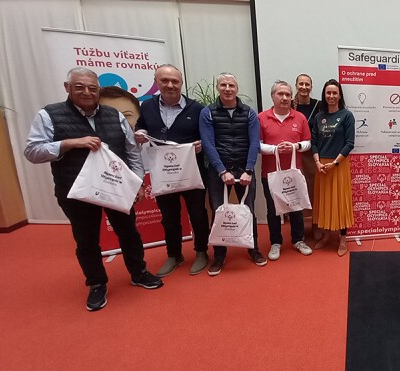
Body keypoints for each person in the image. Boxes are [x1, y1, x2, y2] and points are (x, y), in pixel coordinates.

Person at [24, 67, 163, 312]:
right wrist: (68, 143)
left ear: (99, 89)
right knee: (87, 240)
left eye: (92, 87)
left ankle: (139, 272)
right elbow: (33, 152)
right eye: (79, 87)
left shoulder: (115, 115)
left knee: (129, 232)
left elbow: (131, 150)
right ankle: (97, 283)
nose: (87, 92)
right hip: (77, 191)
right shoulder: (49, 115)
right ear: (67, 88)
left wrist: (138, 182)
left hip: (116, 188)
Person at [132, 64, 210, 277]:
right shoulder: (147, 106)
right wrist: (140, 132)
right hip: (163, 172)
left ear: (181, 83)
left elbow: (208, 137)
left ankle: (201, 251)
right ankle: (174, 254)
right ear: (157, 82)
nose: (170, 85)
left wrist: (201, 144)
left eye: (175, 81)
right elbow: (141, 125)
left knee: (198, 214)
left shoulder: (197, 109)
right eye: (164, 81)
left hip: (190, 170)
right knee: (169, 216)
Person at [199, 72, 264, 275]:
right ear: (218, 87)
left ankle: (253, 249)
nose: (228, 89)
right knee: (219, 213)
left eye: (231, 85)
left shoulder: (249, 113)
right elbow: (208, 143)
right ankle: (219, 255)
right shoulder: (207, 112)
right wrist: (221, 171)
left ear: (237, 88)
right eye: (223, 85)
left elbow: (254, 142)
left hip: (244, 170)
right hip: (219, 171)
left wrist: (249, 170)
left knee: (249, 211)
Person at [258, 80, 313, 260]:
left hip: (294, 172)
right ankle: (275, 242)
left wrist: (295, 146)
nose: (284, 98)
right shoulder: (261, 118)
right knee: (273, 209)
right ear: (272, 96)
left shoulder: (300, 118)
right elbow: (256, 146)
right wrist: (275, 149)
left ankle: (298, 240)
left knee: (296, 207)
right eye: (280, 94)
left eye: (288, 95)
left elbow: (308, 143)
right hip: (271, 173)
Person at [310, 79, 355, 256]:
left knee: (340, 201)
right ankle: (326, 235)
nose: (331, 96)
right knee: (324, 201)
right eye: (328, 93)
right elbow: (314, 141)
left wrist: (335, 163)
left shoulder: (346, 116)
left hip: (338, 164)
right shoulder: (318, 117)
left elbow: (350, 143)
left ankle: (343, 237)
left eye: (334, 93)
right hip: (321, 165)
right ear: (324, 95)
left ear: (340, 95)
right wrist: (318, 163)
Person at [293, 74, 322, 240]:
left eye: (307, 84)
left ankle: (316, 225)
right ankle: (299, 229)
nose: (304, 87)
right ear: (296, 85)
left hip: (312, 155)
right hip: (292, 156)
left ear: (311, 86)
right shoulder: (289, 104)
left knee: (313, 190)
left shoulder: (318, 105)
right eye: (301, 84)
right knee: (296, 190)